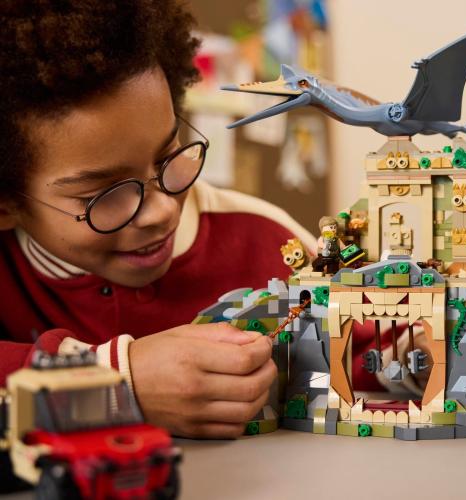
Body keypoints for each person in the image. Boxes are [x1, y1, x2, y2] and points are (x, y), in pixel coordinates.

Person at [0, 1, 315, 440]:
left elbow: (374, 342)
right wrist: (114, 385)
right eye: (104, 195)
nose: (163, 211)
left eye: (169, 156)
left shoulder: (269, 242)